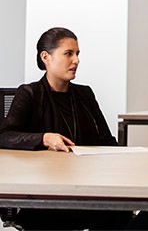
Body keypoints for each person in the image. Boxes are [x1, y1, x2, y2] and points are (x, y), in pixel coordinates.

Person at [0, 27, 131, 230]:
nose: (76, 60)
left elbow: (107, 142)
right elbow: (4, 135)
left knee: (126, 214)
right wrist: (44, 138)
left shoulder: (85, 95)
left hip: (87, 188)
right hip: (45, 195)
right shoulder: (29, 94)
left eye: (77, 54)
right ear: (46, 57)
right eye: (68, 53)